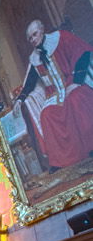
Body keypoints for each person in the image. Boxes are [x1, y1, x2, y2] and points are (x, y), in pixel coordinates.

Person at [12, 18, 93, 170]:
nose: (33, 39)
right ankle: (59, 162)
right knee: (47, 115)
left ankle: (90, 148)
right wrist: (20, 99)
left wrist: (76, 81)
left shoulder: (61, 37)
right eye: (30, 38)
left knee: (76, 99)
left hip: (74, 81)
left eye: (35, 34)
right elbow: (30, 82)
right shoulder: (34, 58)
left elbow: (83, 53)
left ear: (42, 30)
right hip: (56, 93)